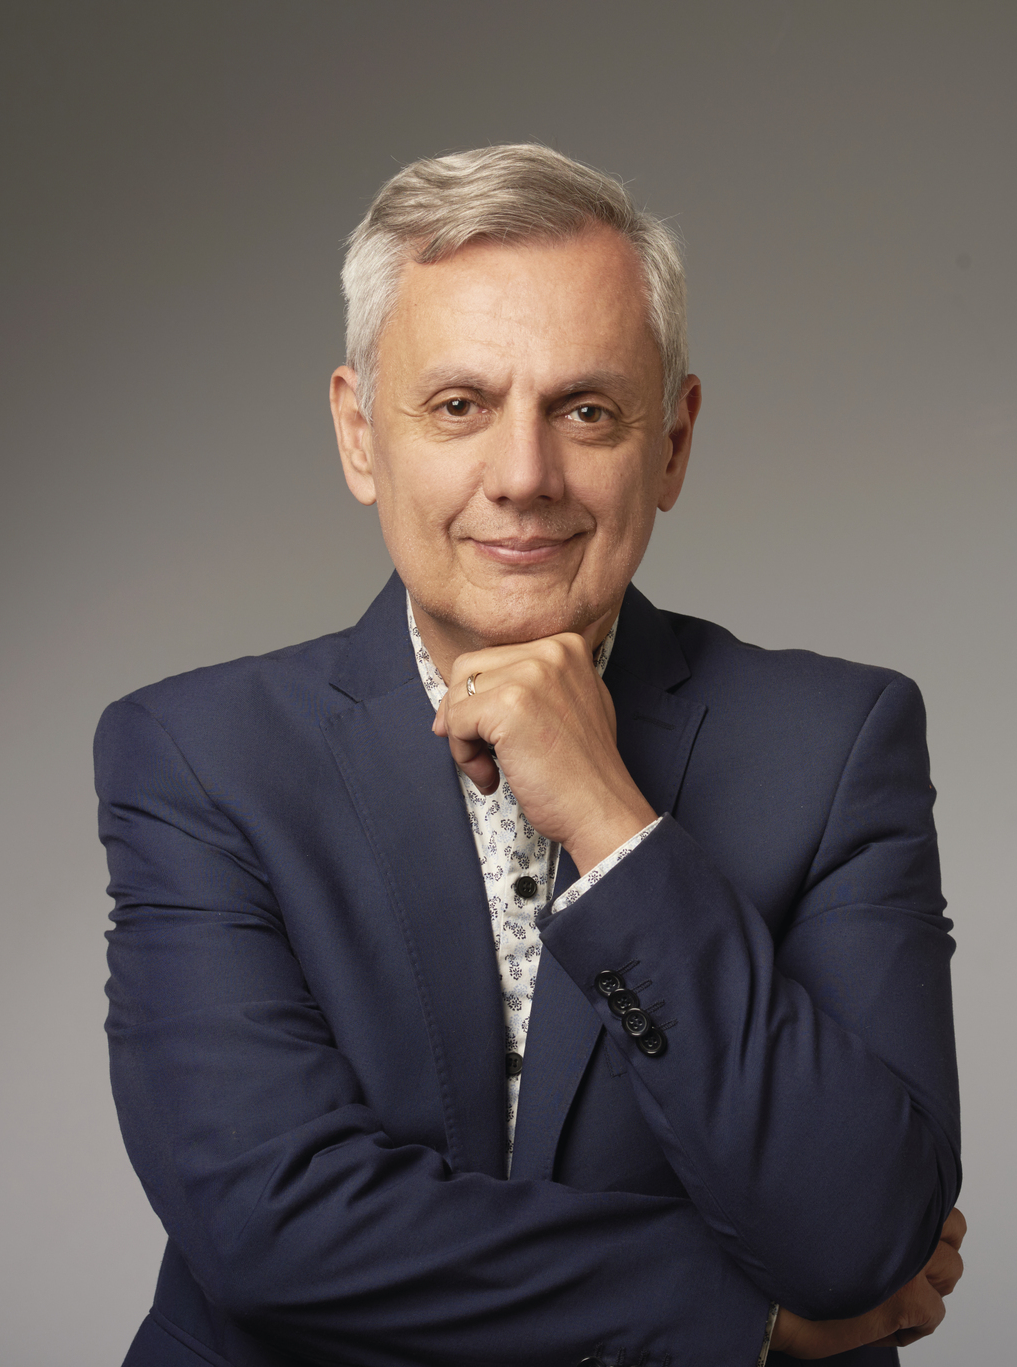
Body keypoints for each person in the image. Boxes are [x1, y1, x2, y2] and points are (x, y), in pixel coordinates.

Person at [95, 144, 963, 1366]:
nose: (522, 477)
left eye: (586, 410)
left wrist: (614, 827)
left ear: (672, 442)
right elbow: (270, 1224)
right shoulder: (197, 756)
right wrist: (745, 1317)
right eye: (459, 406)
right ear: (359, 433)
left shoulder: (834, 744)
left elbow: (860, 1233)